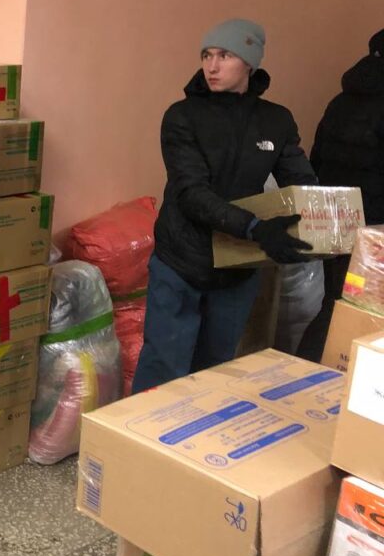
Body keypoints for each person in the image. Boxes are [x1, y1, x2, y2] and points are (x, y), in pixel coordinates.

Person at [131, 19, 318, 393]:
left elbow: (302, 185)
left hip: (236, 265)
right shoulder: (182, 116)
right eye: (206, 55)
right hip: (181, 259)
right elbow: (191, 194)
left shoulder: (275, 121)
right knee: (164, 371)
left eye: (224, 55)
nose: (212, 66)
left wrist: (325, 225)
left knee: (214, 372)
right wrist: (256, 228)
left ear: (249, 62)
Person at [296, 28, 384, 362]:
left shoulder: (340, 102)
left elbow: (316, 158)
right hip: (376, 230)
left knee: (335, 300)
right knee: (367, 310)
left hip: (337, 218)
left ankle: (309, 368)